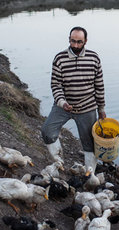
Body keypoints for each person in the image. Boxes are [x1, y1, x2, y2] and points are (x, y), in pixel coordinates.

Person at [41, 26, 106, 170]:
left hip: (87, 107)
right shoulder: (59, 58)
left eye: (79, 42)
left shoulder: (94, 58)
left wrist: (101, 108)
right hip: (63, 106)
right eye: (73, 41)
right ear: (69, 39)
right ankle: (59, 164)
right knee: (47, 131)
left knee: (89, 143)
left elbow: (99, 85)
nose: (75, 45)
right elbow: (56, 85)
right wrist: (62, 103)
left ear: (86, 41)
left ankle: (90, 175)